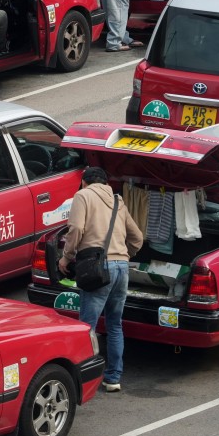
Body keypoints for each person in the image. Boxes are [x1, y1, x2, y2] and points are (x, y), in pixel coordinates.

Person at [58, 166, 143, 392]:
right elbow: (137, 237)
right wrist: (124, 255)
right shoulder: (118, 201)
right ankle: (113, 378)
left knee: (87, 326)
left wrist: (66, 257)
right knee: (115, 325)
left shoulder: (82, 195)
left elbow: (75, 228)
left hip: (97, 268)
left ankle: (83, 379)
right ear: (105, 183)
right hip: (122, 267)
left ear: (85, 182)